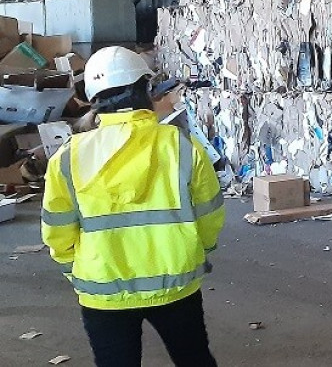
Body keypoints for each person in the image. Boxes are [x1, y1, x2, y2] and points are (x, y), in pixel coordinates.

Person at [41, 46, 225, 367]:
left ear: (94, 98)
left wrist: (77, 271)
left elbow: (57, 231)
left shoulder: (68, 157)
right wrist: (199, 252)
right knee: (194, 359)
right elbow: (209, 215)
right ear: (145, 89)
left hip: (102, 291)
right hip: (175, 283)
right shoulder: (181, 145)